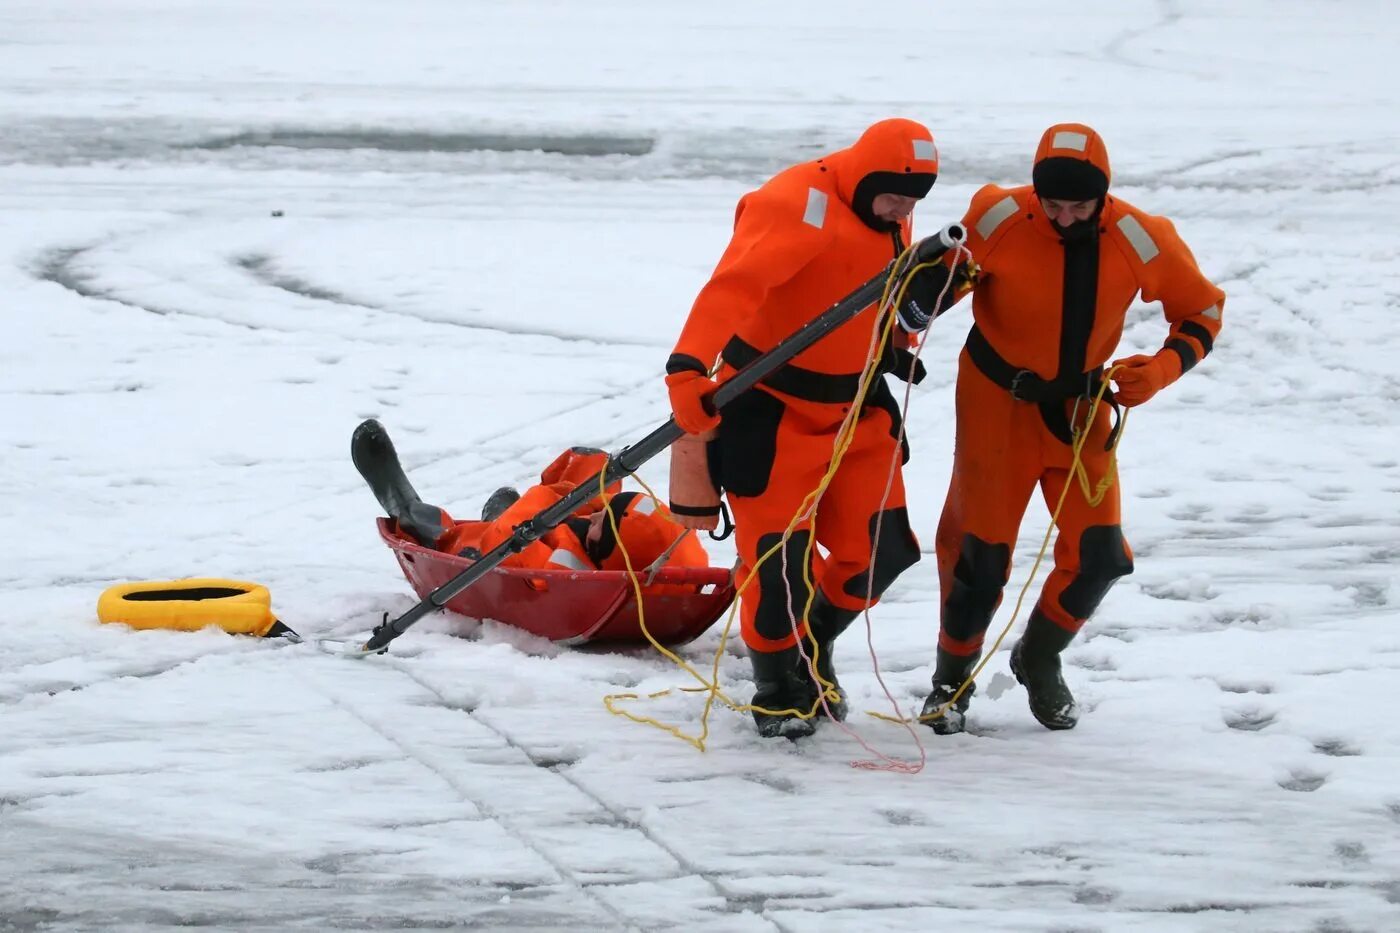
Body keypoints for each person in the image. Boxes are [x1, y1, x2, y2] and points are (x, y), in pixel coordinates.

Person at [900, 123, 1226, 733]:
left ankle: (1040, 656)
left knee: (1102, 558)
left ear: (1103, 196)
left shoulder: (1139, 235)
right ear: (1036, 191)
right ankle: (951, 681)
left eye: (1081, 207)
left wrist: (1158, 370)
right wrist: (926, 298)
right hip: (998, 402)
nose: (1066, 218)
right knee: (980, 559)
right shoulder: (998, 215)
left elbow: (1203, 310)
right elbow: (938, 284)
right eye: (1053, 205)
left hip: (1080, 409)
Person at [664, 118, 949, 739]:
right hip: (769, 408)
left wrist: (894, 340)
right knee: (776, 568)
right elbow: (735, 287)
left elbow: (867, 288)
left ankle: (807, 650)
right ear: (865, 178)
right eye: (896, 198)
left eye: (913, 202)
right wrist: (688, 368)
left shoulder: (889, 211)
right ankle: (776, 683)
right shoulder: (795, 202)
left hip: (856, 409)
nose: (904, 212)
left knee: (881, 555)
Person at [351, 419, 708, 579]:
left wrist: (543, 500)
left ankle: (408, 510)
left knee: (474, 548)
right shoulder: (674, 551)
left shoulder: (569, 568)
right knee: (592, 466)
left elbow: (505, 541)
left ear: (609, 550)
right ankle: (506, 509)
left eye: (602, 523)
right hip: (624, 545)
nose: (594, 519)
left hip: (521, 544)